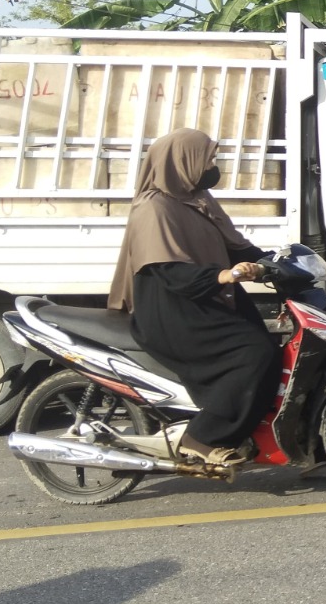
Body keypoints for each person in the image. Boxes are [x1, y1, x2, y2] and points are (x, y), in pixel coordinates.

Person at [108, 128, 282, 468]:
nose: (213, 167)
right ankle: (203, 437)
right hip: (171, 310)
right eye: (209, 160)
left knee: (273, 346)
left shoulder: (197, 200)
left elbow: (236, 247)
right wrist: (223, 276)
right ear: (183, 161)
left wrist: (274, 263)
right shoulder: (153, 209)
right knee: (253, 354)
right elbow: (171, 273)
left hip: (206, 298)